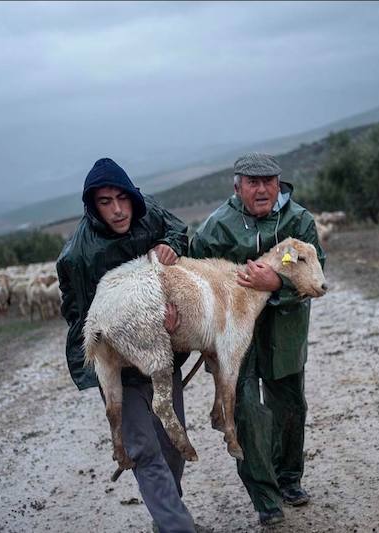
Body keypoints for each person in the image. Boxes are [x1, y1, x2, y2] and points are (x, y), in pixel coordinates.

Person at [56, 157, 196, 533]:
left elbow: (179, 231)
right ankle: (178, 527)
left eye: (122, 198)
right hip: (119, 365)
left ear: (132, 195)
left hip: (163, 355)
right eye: (105, 202)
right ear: (92, 206)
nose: (117, 210)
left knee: (172, 441)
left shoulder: (149, 213)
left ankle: (167, 516)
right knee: (143, 449)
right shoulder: (80, 255)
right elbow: (78, 312)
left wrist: (170, 245)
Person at [188, 152, 325, 526]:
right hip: (233, 338)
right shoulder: (217, 226)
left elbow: (316, 275)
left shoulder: (299, 221)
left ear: (278, 184)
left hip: (285, 329)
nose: (262, 189)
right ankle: (265, 497)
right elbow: (196, 274)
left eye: (268, 181)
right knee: (247, 412)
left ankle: (289, 479)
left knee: (290, 407)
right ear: (238, 187)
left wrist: (277, 282)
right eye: (253, 182)